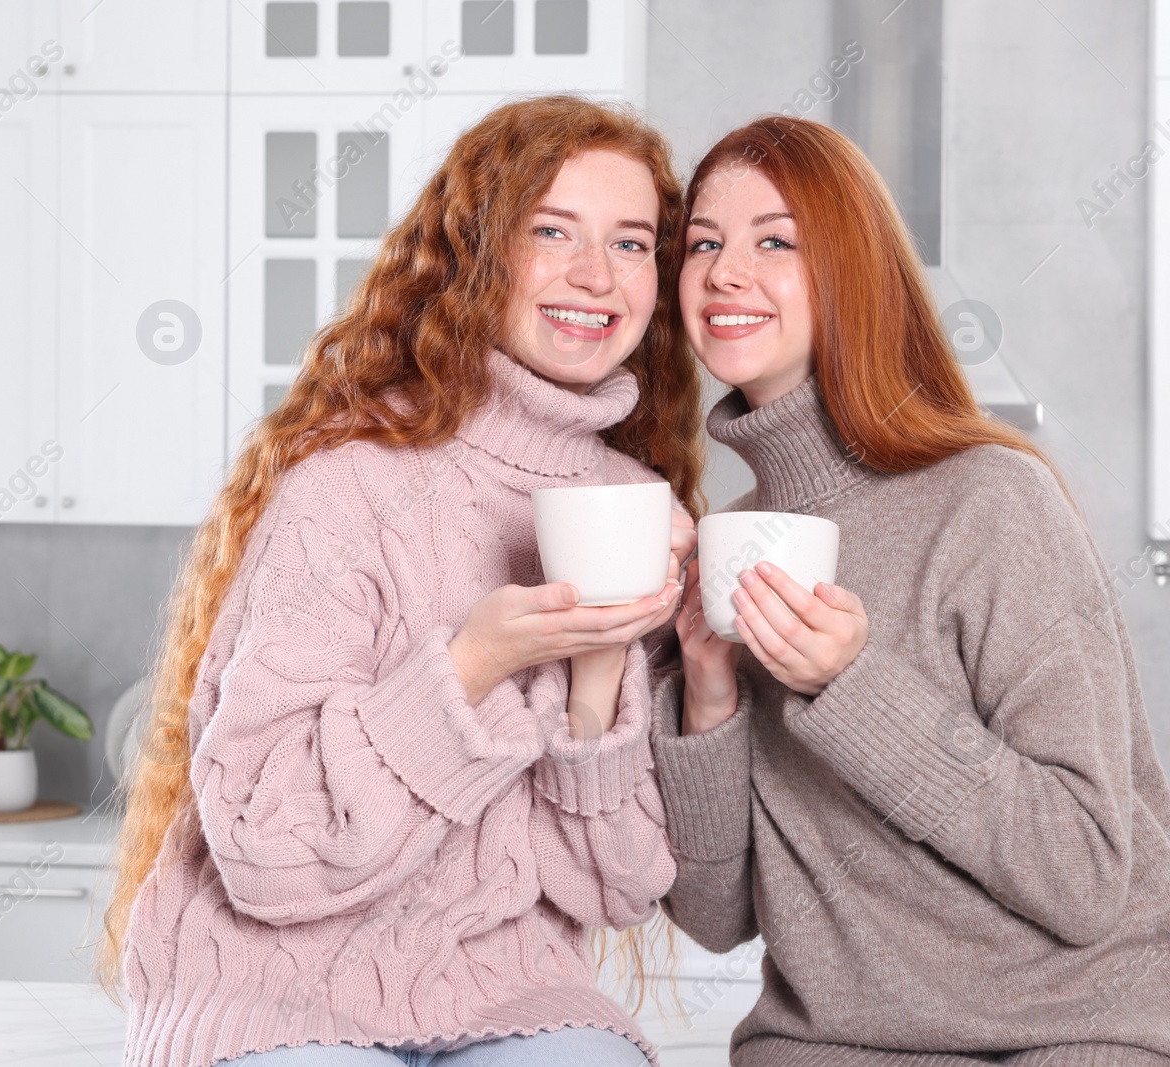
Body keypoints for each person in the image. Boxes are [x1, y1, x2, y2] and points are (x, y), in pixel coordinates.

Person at [96, 94, 708, 1067]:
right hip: (274, 983)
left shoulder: (631, 506)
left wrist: (597, 674)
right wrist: (470, 664)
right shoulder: (347, 483)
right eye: (551, 230)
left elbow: (615, 887)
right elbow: (262, 851)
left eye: (632, 244)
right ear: (476, 254)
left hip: (508, 987)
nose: (596, 275)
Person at [654, 115, 1170, 1065]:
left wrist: (853, 687)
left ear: (850, 272)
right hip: (831, 1043)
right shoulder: (727, 542)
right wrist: (708, 694)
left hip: (1073, 1025)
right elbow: (714, 914)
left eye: (776, 241)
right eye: (703, 245)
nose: (726, 272)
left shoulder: (991, 499)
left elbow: (1088, 873)